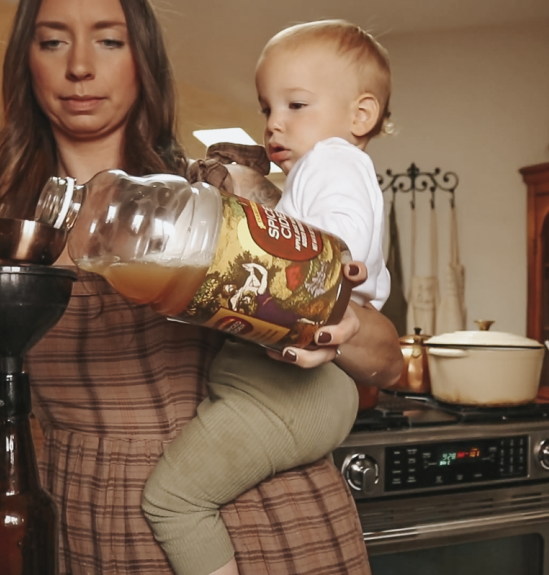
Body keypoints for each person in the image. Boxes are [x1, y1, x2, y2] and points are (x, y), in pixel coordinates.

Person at [0, 0, 402, 573]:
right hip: (92, 528)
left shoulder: (227, 194)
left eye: (109, 41)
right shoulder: (8, 238)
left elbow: (387, 362)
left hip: (276, 521)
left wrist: (331, 322)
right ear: (26, 64)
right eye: (53, 41)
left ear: (144, 60)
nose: (80, 65)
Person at [141, 20, 392, 575]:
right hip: (286, 389)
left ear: (361, 115)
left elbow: (336, 249)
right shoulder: (311, 174)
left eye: (296, 104)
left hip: (284, 394)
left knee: (174, 502)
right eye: (267, 107)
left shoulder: (334, 161)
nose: (274, 123)